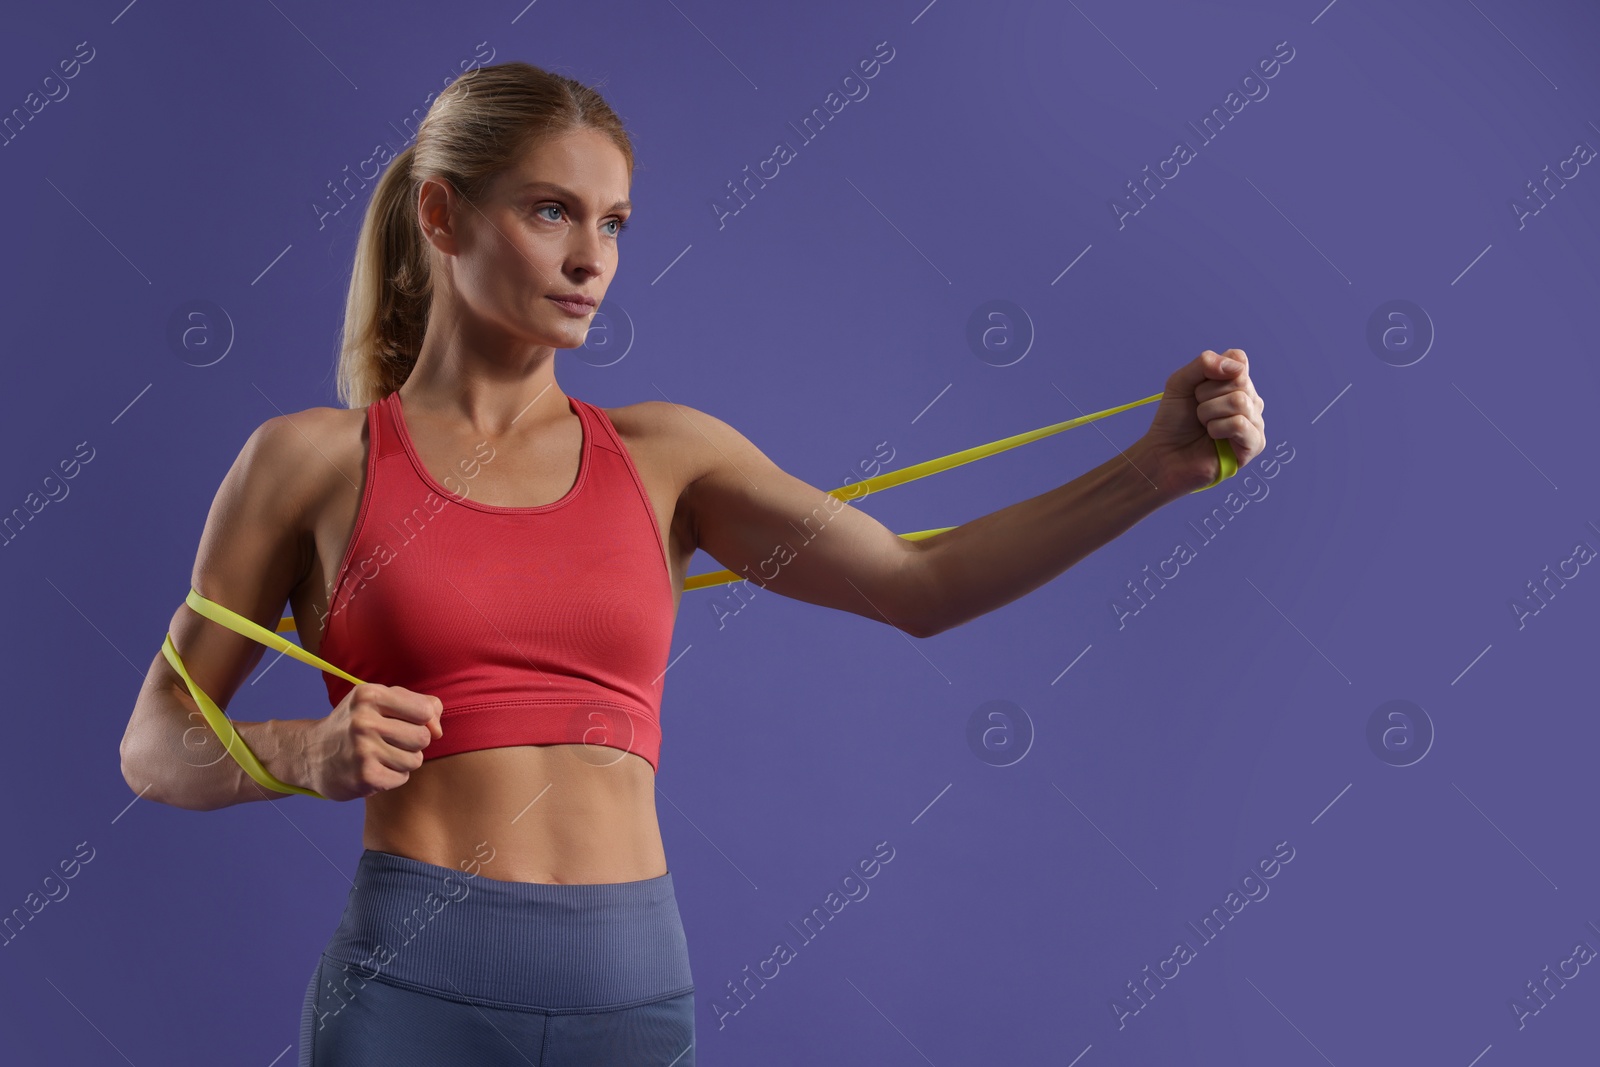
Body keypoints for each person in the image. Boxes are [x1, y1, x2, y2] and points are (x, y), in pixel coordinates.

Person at [118, 61, 1265, 1066]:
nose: (590, 259)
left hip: (630, 992)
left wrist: (1151, 472)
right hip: (415, 991)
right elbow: (157, 741)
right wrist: (301, 750)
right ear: (443, 215)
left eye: (613, 223)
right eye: (552, 211)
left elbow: (922, 586)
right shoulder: (311, 462)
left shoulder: (668, 456)